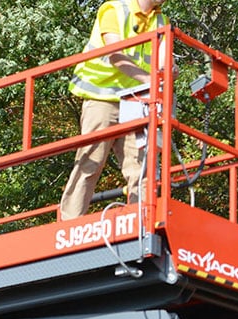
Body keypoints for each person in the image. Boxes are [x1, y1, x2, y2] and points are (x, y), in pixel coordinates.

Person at [58, 0, 170, 221]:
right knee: (91, 160)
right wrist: (151, 80)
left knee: (142, 167)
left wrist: (167, 72)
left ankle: (142, 221)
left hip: (135, 101)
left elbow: (163, 65)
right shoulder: (114, 9)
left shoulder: (161, 21)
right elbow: (116, 55)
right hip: (101, 97)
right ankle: (69, 223)